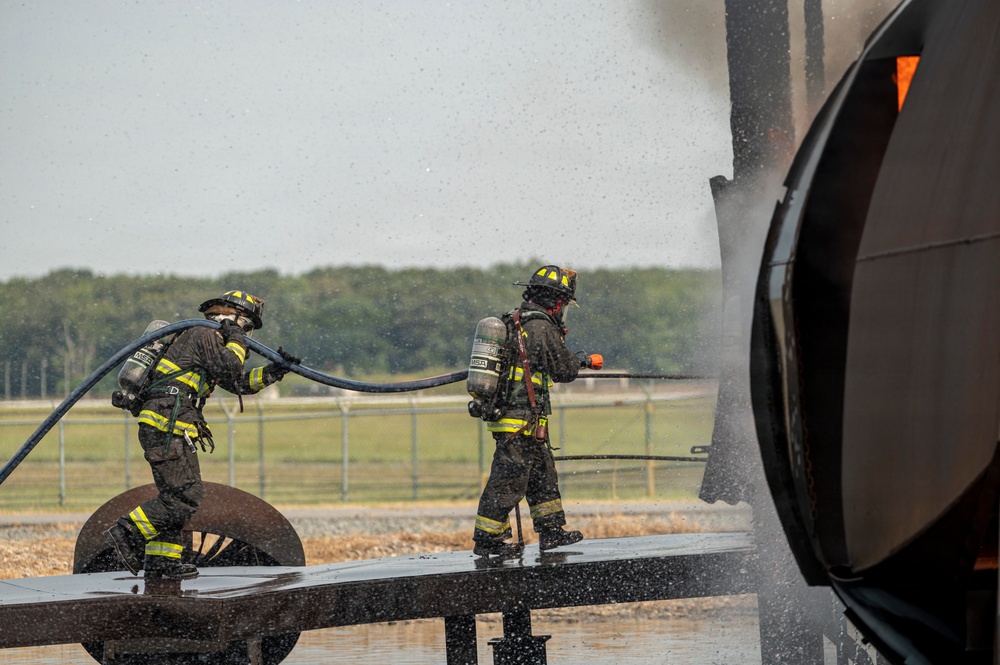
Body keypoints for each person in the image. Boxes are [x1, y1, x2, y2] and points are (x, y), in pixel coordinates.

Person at [103, 290, 299, 580]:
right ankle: (125, 532)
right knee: (185, 498)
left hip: (169, 424)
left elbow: (237, 382)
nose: (244, 333)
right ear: (228, 316)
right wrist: (234, 337)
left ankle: (161, 563)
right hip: (168, 425)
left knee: (174, 497)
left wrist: (274, 371)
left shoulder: (208, 342)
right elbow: (231, 365)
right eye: (244, 325)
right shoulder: (203, 334)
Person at [472, 265, 602, 557]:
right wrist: (585, 361)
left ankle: (551, 531)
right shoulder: (540, 326)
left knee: (542, 474)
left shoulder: (514, 321)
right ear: (555, 301)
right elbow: (564, 369)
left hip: (524, 418)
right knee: (509, 478)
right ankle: (487, 539)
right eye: (563, 305)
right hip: (518, 418)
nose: (562, 311)